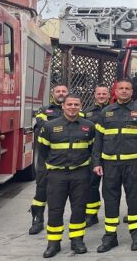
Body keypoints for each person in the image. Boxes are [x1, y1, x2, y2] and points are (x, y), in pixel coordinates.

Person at [92, 78, 137, 253]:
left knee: (134, 200)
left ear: (132, 92)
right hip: (110, 165)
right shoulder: (106, 112)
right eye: (121, 88)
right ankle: (110, 237)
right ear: (115, 91)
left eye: (127, 89)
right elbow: (98, 140)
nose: (124, 91)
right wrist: (96, 162)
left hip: (133, 164)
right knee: (111, 201)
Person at [37, 94, 95, 257]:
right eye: (69, 104)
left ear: (81, 106)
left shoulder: (88, 126)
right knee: (55, 209)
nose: (72, 107)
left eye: (76, 104)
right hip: (57, 174)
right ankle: (53, 243)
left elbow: (92, 149)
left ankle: (77, 240)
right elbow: (43, 151)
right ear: (63, 106)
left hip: (80, 173)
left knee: (79, 208)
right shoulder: (49, 126)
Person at [29, 83, 69, 235]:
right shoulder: (44, 110)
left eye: (64, 91)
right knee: (41, 189)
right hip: (47, 158)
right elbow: (43, 126)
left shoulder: (75, 109)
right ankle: (37, 219)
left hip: (68, 158)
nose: (61, 93)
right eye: (58, 91)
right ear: (53, 93)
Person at [83, 84, 110, 227]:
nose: (101, 96)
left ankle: (112, 214)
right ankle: (91, 215)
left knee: (111, 188)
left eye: (104, 94)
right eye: (99, 94)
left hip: (111, 155)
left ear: (109, 95)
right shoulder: (86, 113)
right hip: (94, 155)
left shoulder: (115, 110)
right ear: (94, 95)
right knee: (92, 186)